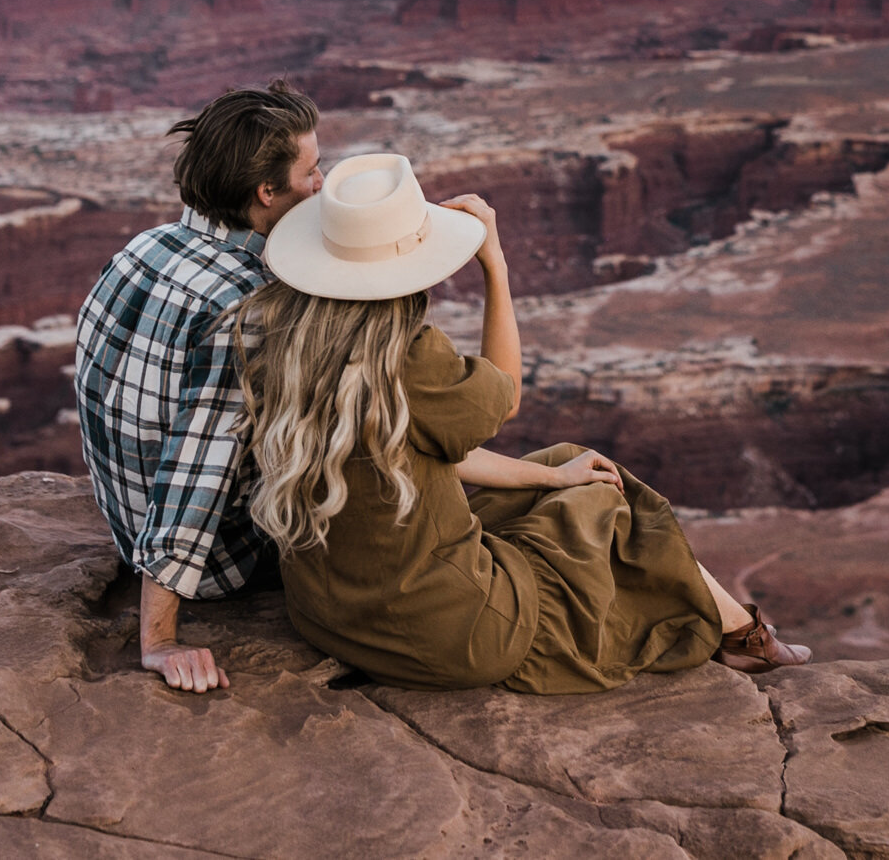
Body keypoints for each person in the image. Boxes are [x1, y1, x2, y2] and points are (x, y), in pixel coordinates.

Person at [233, 151, 808, 693]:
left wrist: (552, 479)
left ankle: (740, 632)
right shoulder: (409, 358)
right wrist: (495, 267)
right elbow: (504, 399)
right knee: (608, 499)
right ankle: (743, 635)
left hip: (331, 617)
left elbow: (433, 450)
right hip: (451, 630)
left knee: (567, 465)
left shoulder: (291, 340)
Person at [72, 80, 323, 694]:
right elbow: (197, 474)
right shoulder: (249, 308)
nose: (324, 183)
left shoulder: (146, 245)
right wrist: (159, 640)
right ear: (267, 192)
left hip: (122, 521)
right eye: (314, 170)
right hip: (218, 564)